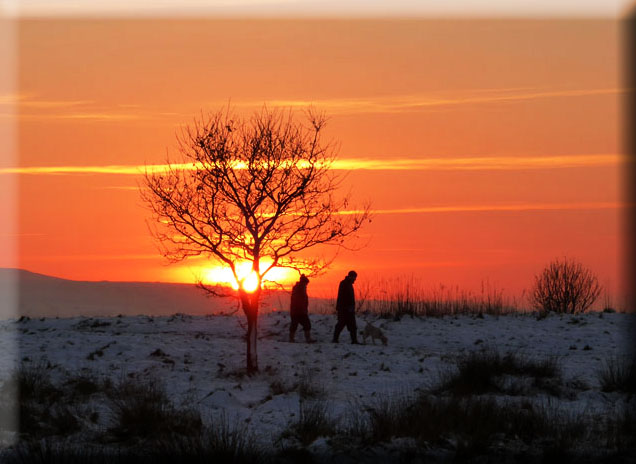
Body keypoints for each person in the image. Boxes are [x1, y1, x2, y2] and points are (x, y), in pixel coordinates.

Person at [332, 270, 359, 344]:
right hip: (344, 309)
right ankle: (335, 339)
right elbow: (342, 297)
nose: (355, 279)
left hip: (349, 309)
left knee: (352, 325)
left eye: (355, 278)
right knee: (341, 324)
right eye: (354, 277)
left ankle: (354, 340)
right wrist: (345, 307)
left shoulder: (349, 284)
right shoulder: (344, 283)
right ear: (350, 276)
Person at [289, 275, 315, 343]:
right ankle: (293, 339)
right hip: (298, 311)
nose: (306, 285)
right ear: (303, 282)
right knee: (300, 324)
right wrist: (301, 309)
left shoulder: (300, 288)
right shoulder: (299, 289)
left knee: (302, 324)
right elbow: (298, 301)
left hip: (299, 311)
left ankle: (306, 339)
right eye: (306, 283)